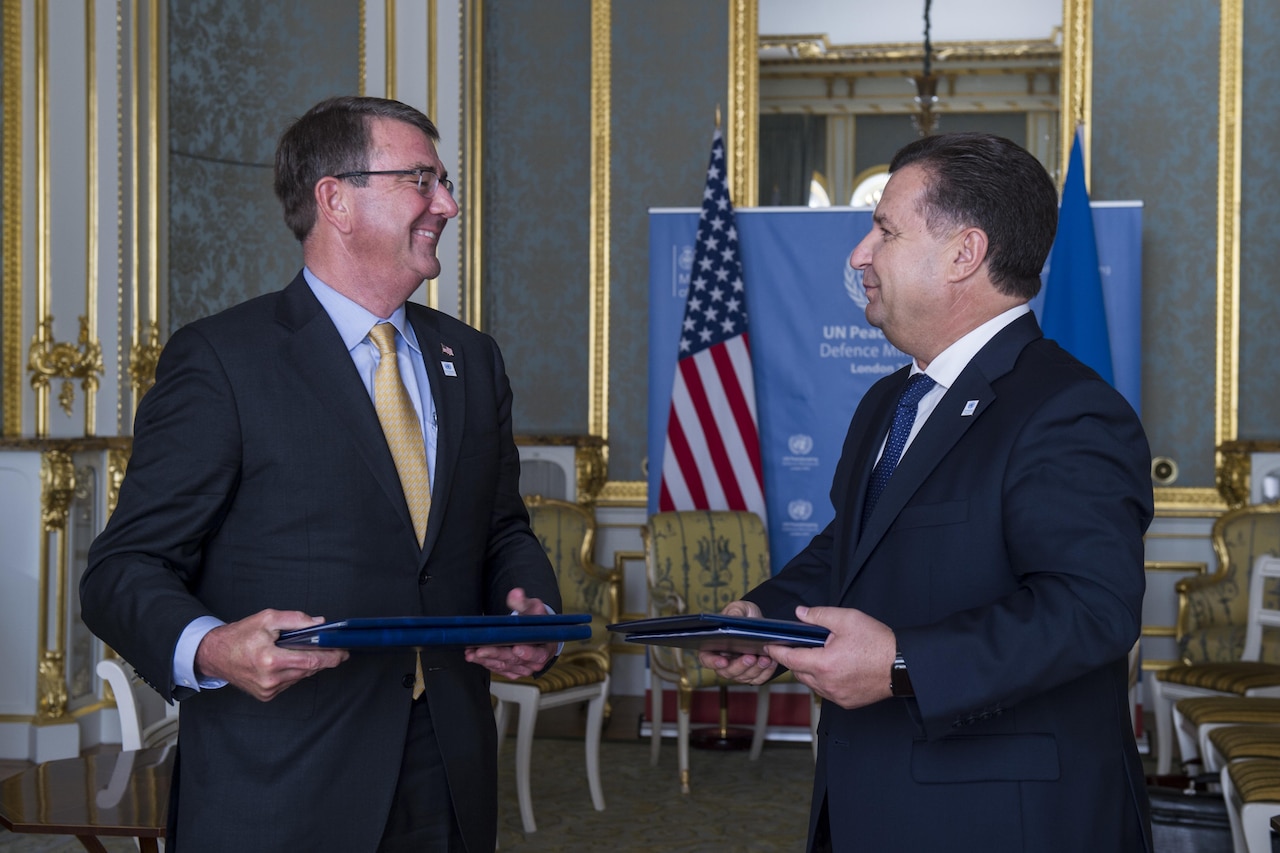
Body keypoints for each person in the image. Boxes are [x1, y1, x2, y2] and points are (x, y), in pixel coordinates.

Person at [80, 96, 561, 853]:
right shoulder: (222, 360)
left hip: (447, 767)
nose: (449, 203)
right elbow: (121, 570)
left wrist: (527, 610)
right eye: (422, 180)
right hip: (280, 779)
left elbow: (501, 527)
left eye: (445, 182)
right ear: (334, 198)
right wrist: (208, 648)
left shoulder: (472, 358)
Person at [701, 132, 1154, 852]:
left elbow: (1089, 609)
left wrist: (903, 665)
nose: (859, 254)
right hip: (869, 802)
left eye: (883, 228)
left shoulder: (1067, 408)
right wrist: (768, 616)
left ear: (962, 254)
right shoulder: (890, 399)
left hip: (1004, 823)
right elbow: (852, 548)